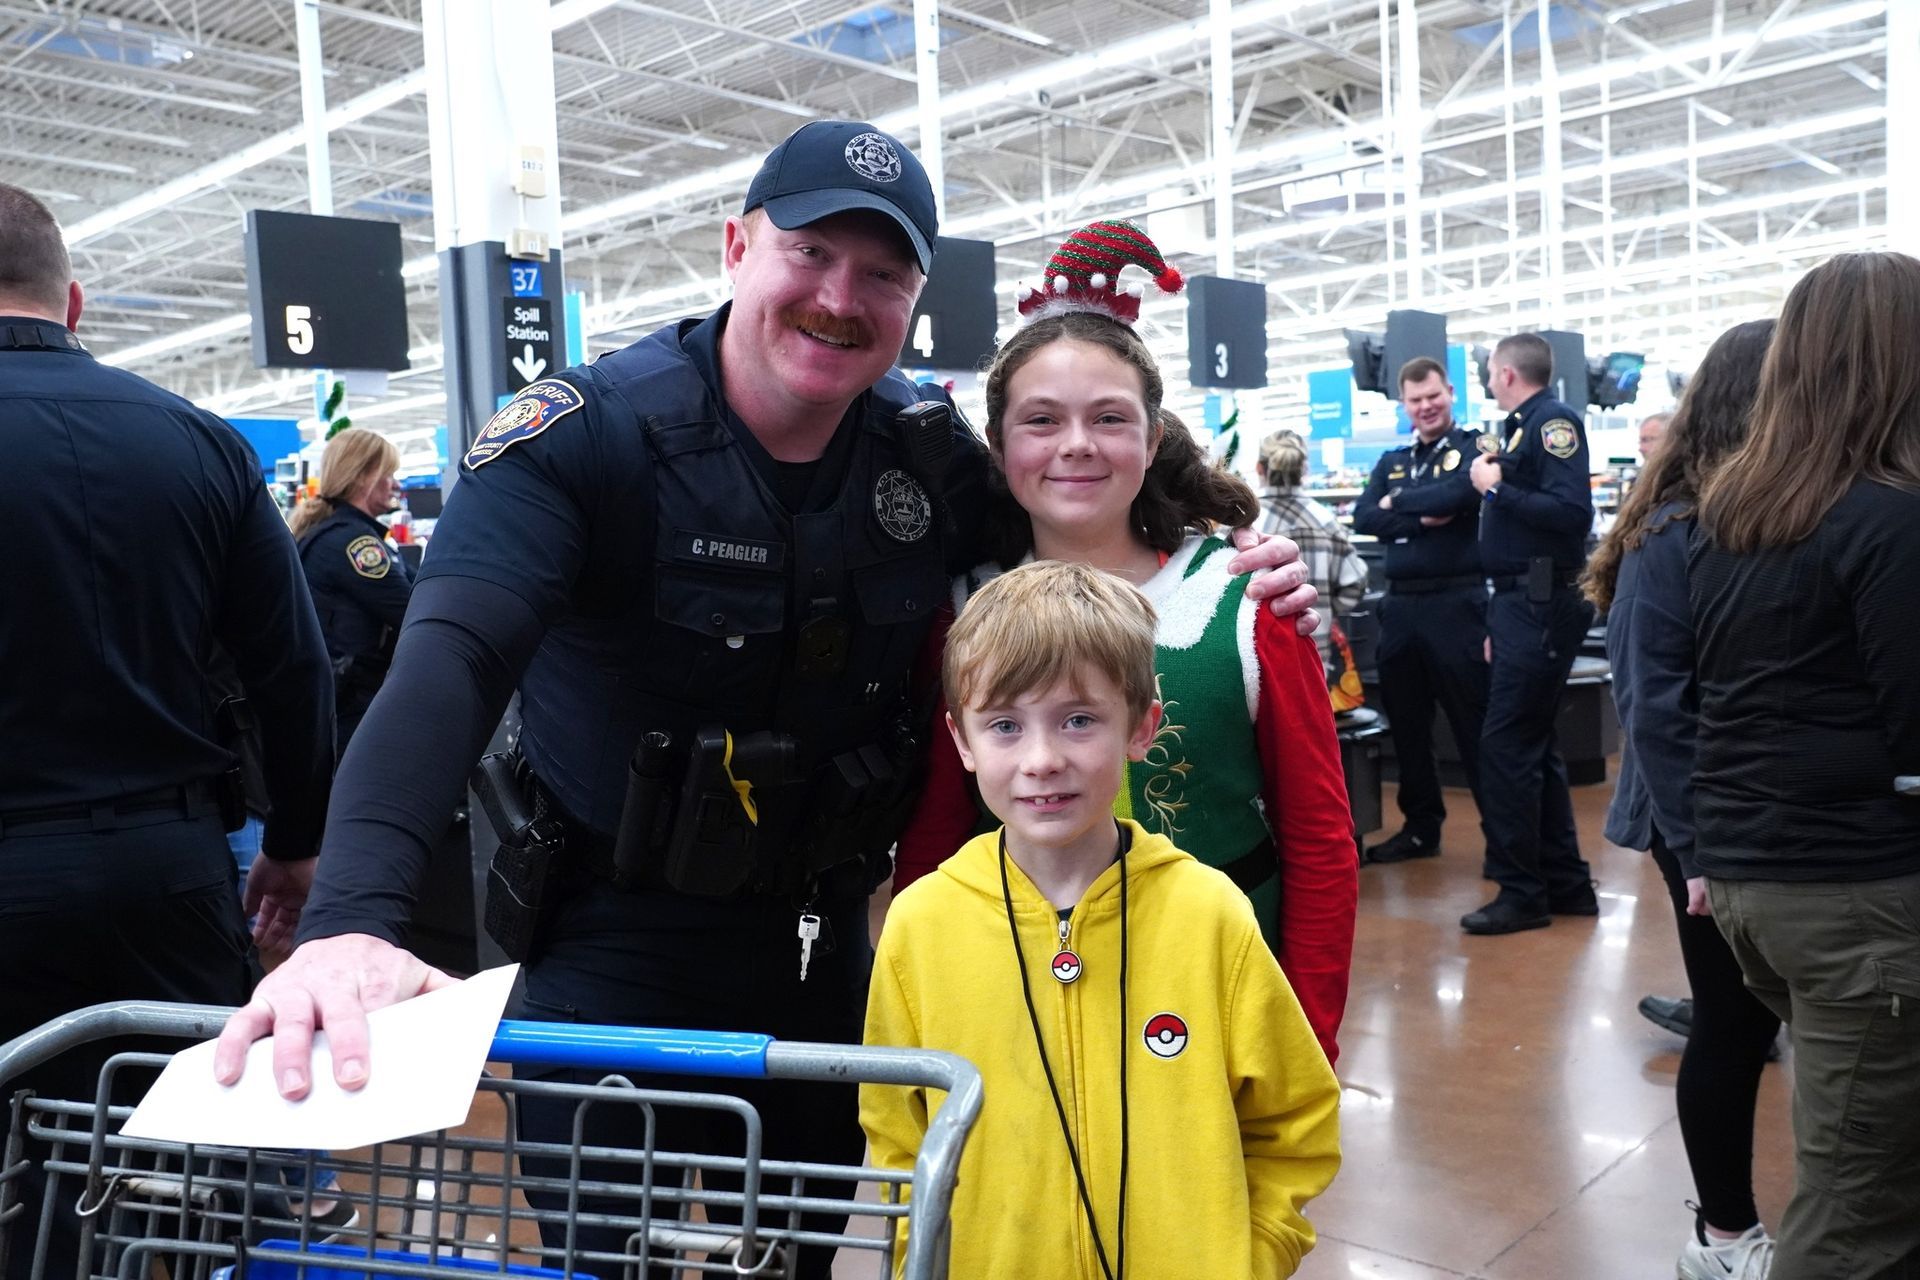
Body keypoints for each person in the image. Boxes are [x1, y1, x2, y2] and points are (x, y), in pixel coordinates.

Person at [209, 125, 1318, 1277]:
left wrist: (1237, 554)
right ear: (736, 245)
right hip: (608, 945)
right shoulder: (583, 440)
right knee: (609, 1251)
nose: (841, 297)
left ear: (914, 299)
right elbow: (446, 665)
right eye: (810, 251)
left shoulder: (925, 458)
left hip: (820, 949)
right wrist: (350, 919)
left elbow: (1083, 521)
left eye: (882, 272)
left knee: (793, 1248)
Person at [890, 221, 1357, 1065]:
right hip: (1016, 999)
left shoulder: (1245, 600)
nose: (1076, 445)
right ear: (998, 447)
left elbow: (1320, 839)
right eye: (1042, 420)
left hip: (1218, 994)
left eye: (1109, 418)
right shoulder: (962, 608)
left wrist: (1307, 1038)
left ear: (1151, 437)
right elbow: (937, 829)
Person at [0, 183, 334, 1280]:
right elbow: (292, 665)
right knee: (197, 1188)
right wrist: (294, 837)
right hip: (170, 872)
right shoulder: (199, 442)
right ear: (76, 300)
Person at [863, 559, 1342, 1279]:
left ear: (1142, 727)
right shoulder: (920, 925)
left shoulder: (1211, 914)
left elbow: (1293, 1121)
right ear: (962, 741)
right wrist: (918, 1260)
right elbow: (898, 1135)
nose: (1042, 759)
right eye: (1004, 726)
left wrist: (1253, 1254)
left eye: (1079, 720)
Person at [1690, 252, 1920, 1279]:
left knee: (1865, 1139)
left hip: (1758, 879)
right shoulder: (1890, 517)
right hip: (1858, 893)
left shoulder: (1741, 516)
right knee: (1858, 1202)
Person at [1584, 320, 1782, 1280]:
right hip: (1696, 820)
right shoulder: (1673, 534)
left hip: (1737, 814)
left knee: (1746, 1018)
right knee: (1731, 1021)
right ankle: (1725, 1234)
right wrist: (1699, 850)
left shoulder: (1745, 520)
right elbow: (1653, 709)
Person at [1461, 331, 1598, 935]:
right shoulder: (1524, 425)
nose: (1489, 380)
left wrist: (1499, 488)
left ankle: (1522, 892)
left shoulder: (1552, 421)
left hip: (1539, 601)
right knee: (1534, 745)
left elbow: (1572, 513)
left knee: (1508, 746)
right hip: (1521, 603)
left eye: (1492, 372)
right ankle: (1565, 883)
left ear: (1509, 373)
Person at [1351, 356, 1491, 866]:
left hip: (1459, 603)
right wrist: (1420, 512)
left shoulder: (1476, 446)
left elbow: (1461, 492)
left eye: (1433, 396)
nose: (1426, 407)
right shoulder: (1391, 458)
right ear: (1404, 405)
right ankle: (1420, 828)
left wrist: (1398, 504)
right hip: (1402, 608)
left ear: (1450, 392)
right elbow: (1366, 515)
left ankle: (1503, 836)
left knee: (1473, 724)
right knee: (1408, 726)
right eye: (1416, 400)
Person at [288, 428, 413, 753]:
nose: (396, 485)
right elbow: (412, 608)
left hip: (334, 701)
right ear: (362, 478)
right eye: (389, 475)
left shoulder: (330, 533)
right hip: (354, 705)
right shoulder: (354, 543)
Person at [1253, 428, 1367, 688]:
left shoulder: (1244, 524)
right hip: (1314, 651)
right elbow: (1357, 582)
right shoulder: (1326, 521)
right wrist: (1325, 609)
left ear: (1260, 468)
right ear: (1304, 470)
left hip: (1257, 657)